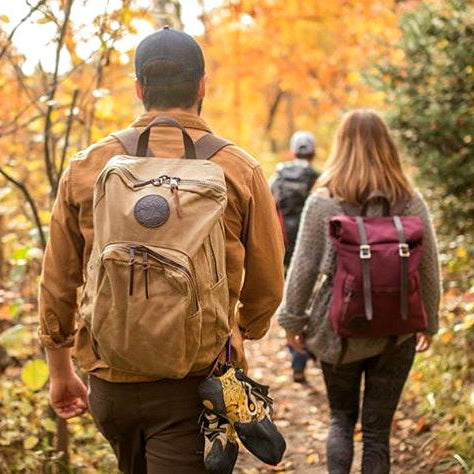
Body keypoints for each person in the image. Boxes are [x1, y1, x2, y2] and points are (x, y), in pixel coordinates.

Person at [38, 27, 285, 474]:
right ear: (201, 85)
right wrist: (241, 331)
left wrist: (59, 368)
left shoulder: (89, 166)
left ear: (138, 89)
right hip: (195, 381)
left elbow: (58, 279)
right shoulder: (237, 168)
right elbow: (268, 285)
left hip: (110, 380)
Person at [277, 109, 440, 473]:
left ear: (342, 145)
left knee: (340, 421)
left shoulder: (324, 200)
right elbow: (430, 267)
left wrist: (292, 321)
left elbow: (302, 268)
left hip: (338, 330)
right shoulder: (410, 200)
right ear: (388, 146)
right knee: (378, 433)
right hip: (396, 332)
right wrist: (429, 322)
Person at [270, 131, 319, 383]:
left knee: (293, 297)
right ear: (313, 152)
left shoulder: (277, 179)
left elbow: (267, 214)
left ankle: (297, 358)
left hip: (285, 249)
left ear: (293, 151)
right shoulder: (319, 180)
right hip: (315, 251)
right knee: (314, 299)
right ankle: (311, 349)